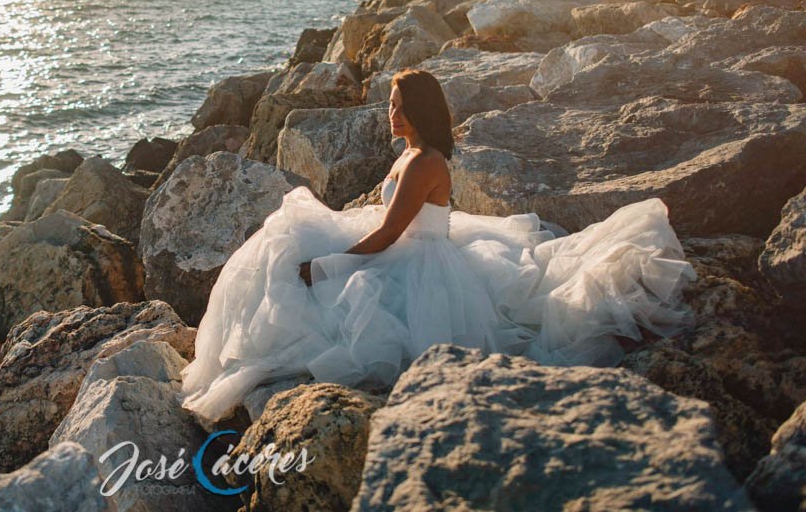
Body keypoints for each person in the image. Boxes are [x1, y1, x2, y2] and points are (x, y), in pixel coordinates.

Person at [177, 68, 698, 425]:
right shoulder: (409, 154)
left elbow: (388, 235)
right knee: (282, 240)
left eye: (401, 108)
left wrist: (329, 267)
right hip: (407, 246)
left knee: (308, 273)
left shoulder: (426, 161)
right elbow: (385, 222)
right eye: (390, 106)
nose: (392, 115)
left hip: (418, 260)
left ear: (423, 112)